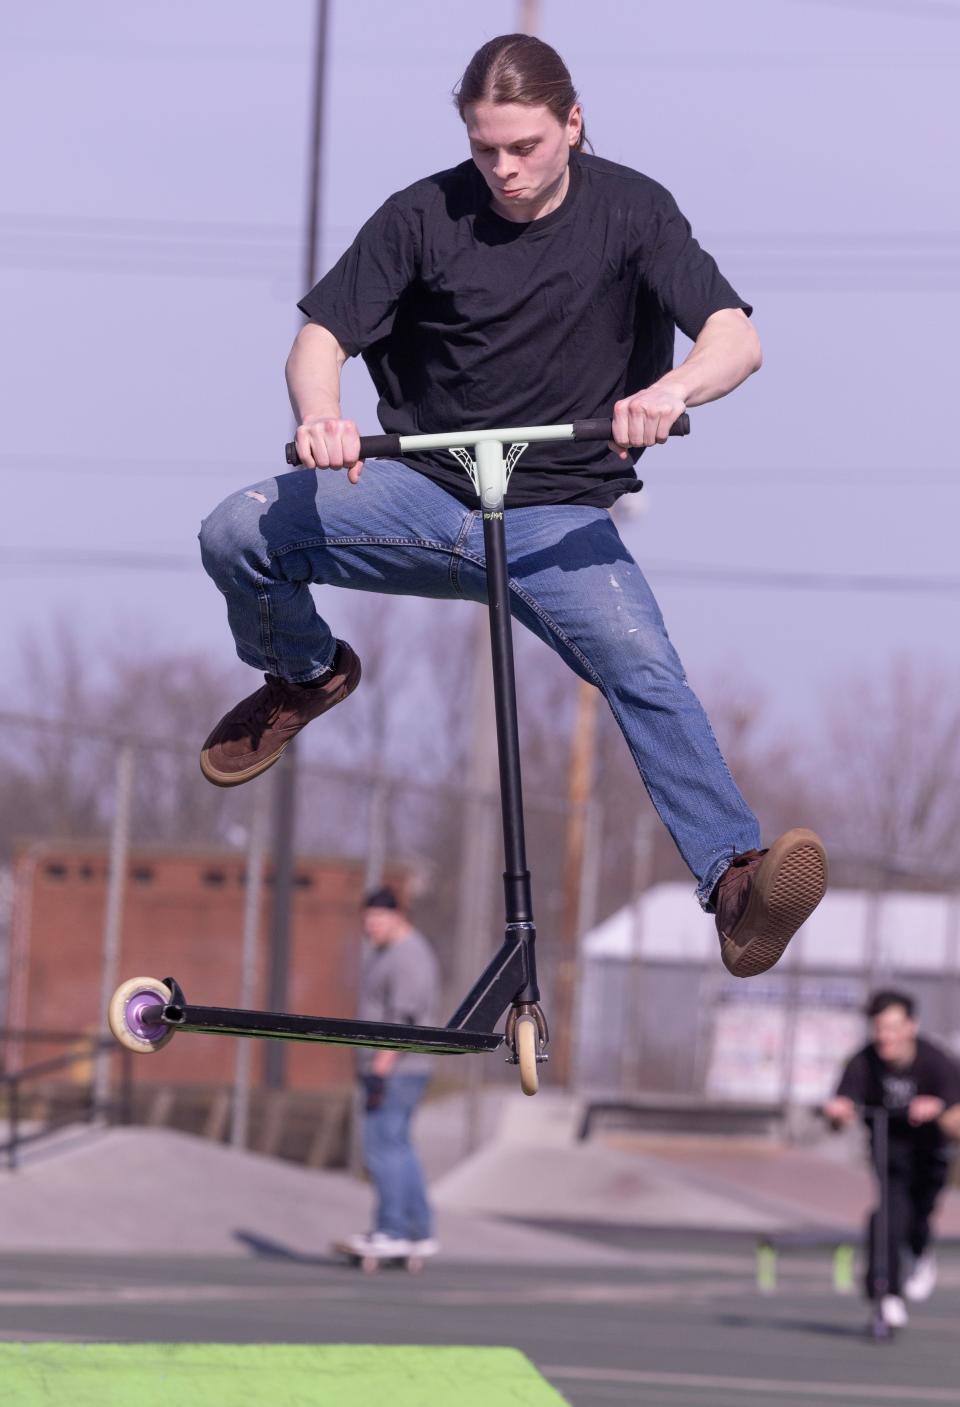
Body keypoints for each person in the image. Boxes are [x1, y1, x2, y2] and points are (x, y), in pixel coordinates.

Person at [198, 33, 828, 978]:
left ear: (572, 124)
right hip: (414, 490)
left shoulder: (634, 210)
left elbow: (736, 338)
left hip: (555, 513)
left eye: (525, 147)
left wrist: (671, 391)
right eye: (486, 148)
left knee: (643, 664)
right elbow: (321, 336)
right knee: (239, 529)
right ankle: (304, 673)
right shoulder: (421, 214)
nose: (505, 169)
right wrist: (321, 415)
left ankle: (735, 884)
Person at [824, 990, 960, 1329]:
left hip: (930, 1155)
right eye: (879, 1028)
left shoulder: (937, 1061)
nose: (885, 1036)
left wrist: (938, 1111)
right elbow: (840, 1113)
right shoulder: (862, 1062)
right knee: (887, 1219)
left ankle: (919, 1251)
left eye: (893, 1027)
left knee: (918, 1218)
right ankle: (887, 1295)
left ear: (910, 1027)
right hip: (890, 1155)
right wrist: (838, 1113)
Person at [341, 885, 441, 1261]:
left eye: (377, 918)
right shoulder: (385, 954)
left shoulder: (407, 957)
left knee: (382, 1148)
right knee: (398, 1147)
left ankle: (392, 1229)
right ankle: (418, 1231)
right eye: (366, 919)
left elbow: (404, 1019)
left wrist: (381, 1066)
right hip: (393, 1068)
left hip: (398, 1069)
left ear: (399, 915)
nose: (370, 926)